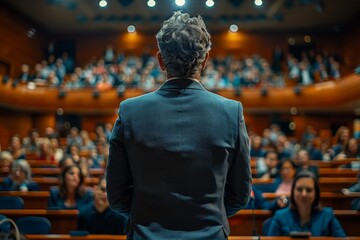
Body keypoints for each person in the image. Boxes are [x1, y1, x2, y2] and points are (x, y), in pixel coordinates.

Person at [107, 11, 251, 240]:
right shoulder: (231, 112)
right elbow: (240, 195)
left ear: (160, 60)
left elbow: (116, 197)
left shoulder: (130, 112)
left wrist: (146, 221)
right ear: (205, 60)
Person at [267, 170, 346, 237]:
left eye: (308, 190)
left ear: (316, 193)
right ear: (293, 192)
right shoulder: (280, 216)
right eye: (299, 189)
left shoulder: (328, 216)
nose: (304, 194)